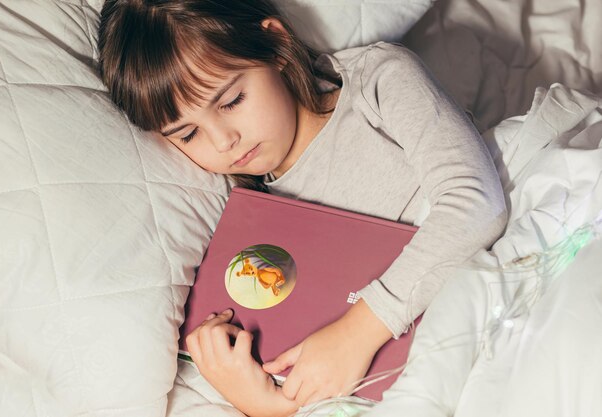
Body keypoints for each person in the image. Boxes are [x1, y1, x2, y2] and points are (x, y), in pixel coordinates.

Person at [98, 1, 507, 416]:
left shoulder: (378, 81)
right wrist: (265, 405)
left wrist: (357, 333)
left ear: (275, 44)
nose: (223, 141)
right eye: (188, 135)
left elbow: (476, 203)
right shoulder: (242, 214)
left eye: (231, 101)